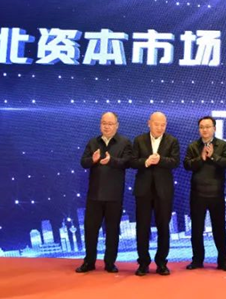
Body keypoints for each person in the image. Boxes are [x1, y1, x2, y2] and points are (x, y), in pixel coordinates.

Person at [76, 112, 133, 273]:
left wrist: (112, 161)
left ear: (117, 125)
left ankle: (110, 263)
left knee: (112, 230)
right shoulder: (93, 142)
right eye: (104, 123)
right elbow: (83, 162)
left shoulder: (125, 142)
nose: (107, 126)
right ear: (100, 125)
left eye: (110, 123)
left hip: (114, 195)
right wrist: (93, 160)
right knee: (90, 230)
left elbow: (129, 162)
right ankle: (89, 262)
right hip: (94, 195)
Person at [131, 112, 180, 276]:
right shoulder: (139, 140)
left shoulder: (172, 141)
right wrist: (145, 162)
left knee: (163, 227)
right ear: (149, 123)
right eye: (156, 124)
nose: (160, 127)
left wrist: (160, 160)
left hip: (163, 191)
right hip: (143, 190)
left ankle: (161, 262)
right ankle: (143, 263)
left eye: (163, 125)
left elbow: (175, 162)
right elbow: (132, 161)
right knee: (142, 228)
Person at [183, 116, 226, 272]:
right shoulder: (193, 146)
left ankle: (223, 261)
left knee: (220, 229)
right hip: (197, 193)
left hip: (216, 193)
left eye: (208, 127)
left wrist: (213, 156)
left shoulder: (222, 145)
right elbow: (187, 165)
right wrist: (201, 158)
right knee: (197, 229)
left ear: (214, 129)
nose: (204, 130)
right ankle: (197, 260)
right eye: (202, 127)